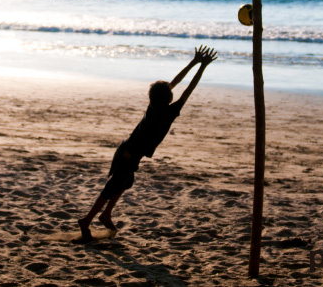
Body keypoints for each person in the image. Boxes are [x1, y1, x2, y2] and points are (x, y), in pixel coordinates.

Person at [75, 45, 218, 243]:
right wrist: (202, 66)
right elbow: (189, 89)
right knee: (112, 188)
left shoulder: (153, 108)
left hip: (128, 150)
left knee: (124, 184)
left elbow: (175, 85)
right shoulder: (169, 112)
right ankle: (87, 220)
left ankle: (106, 215)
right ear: (168, 98)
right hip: (129, 153)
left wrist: (194, 62)